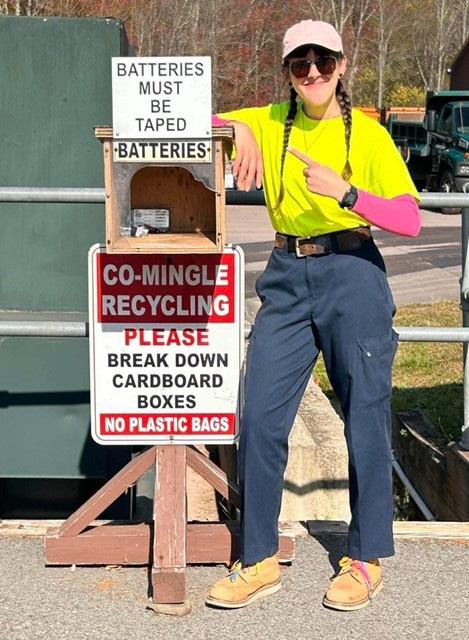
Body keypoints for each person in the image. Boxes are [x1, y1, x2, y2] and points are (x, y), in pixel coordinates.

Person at [207, 19, 421, 612]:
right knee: (259, 416)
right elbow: (184, 114)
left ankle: (366, 557)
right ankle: (258, 558)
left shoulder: (368, 136)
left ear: (341, 66)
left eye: (323, 61)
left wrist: (346, 193)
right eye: (300, 64)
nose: (312, 73)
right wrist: (233, 130)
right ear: (288, 72)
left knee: (365, 417)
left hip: (353, 272)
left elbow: (409, 220)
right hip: (285, 274)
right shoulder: (269, 119)